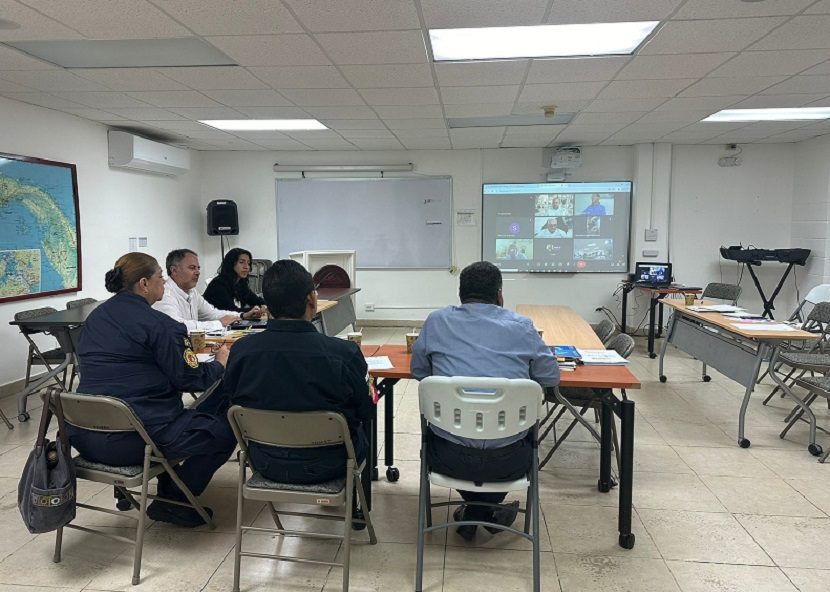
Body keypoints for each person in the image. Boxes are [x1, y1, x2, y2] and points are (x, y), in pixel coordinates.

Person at [68, 252, 235, 527]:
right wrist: (220, 364)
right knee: (225, 430)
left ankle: (163, 484)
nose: (164, 282)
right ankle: (175, 502)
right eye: (160, 276)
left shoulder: (95, 319)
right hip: (134, 439)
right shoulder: (160, 326)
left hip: (85, 434)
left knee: (195, 411)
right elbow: (191, 380)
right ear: (144, 284)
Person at [411, 261, 559, 542]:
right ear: (500, 295)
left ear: (460, 294)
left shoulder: (436, 322)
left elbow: (420, 372)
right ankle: (484, 511)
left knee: (456, 440)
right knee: (511, 439)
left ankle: (476, 510)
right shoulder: (522, 326)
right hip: (509, 461)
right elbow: (550, 377)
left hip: (447, 458)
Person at [223, 259, 373, 484]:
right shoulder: (344, 353)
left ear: (267, 304)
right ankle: (357, 502)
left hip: (264, 461)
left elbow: (231, 398)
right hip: (331, 463)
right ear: (312, 299)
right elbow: (366, 409)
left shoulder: (240, 351)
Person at [154, 248, 250, 331]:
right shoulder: (164, 293)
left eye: (198, 268)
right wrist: (218, 324)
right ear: (174, 270)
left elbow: (212, 313)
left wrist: (242, 315)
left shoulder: (192, 291)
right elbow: (176, 325)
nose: (197, 272)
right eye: (192, 268)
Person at [203, 248, 265, 316]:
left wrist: (265, 306)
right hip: (215, 321)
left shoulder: (241, 284)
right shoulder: (218, 284)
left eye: (248, 263)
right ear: (231, 264)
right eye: (241, 262)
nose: (246, 267)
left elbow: (257, 301)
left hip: (233, 321)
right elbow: (230, 311)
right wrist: (254, 310)